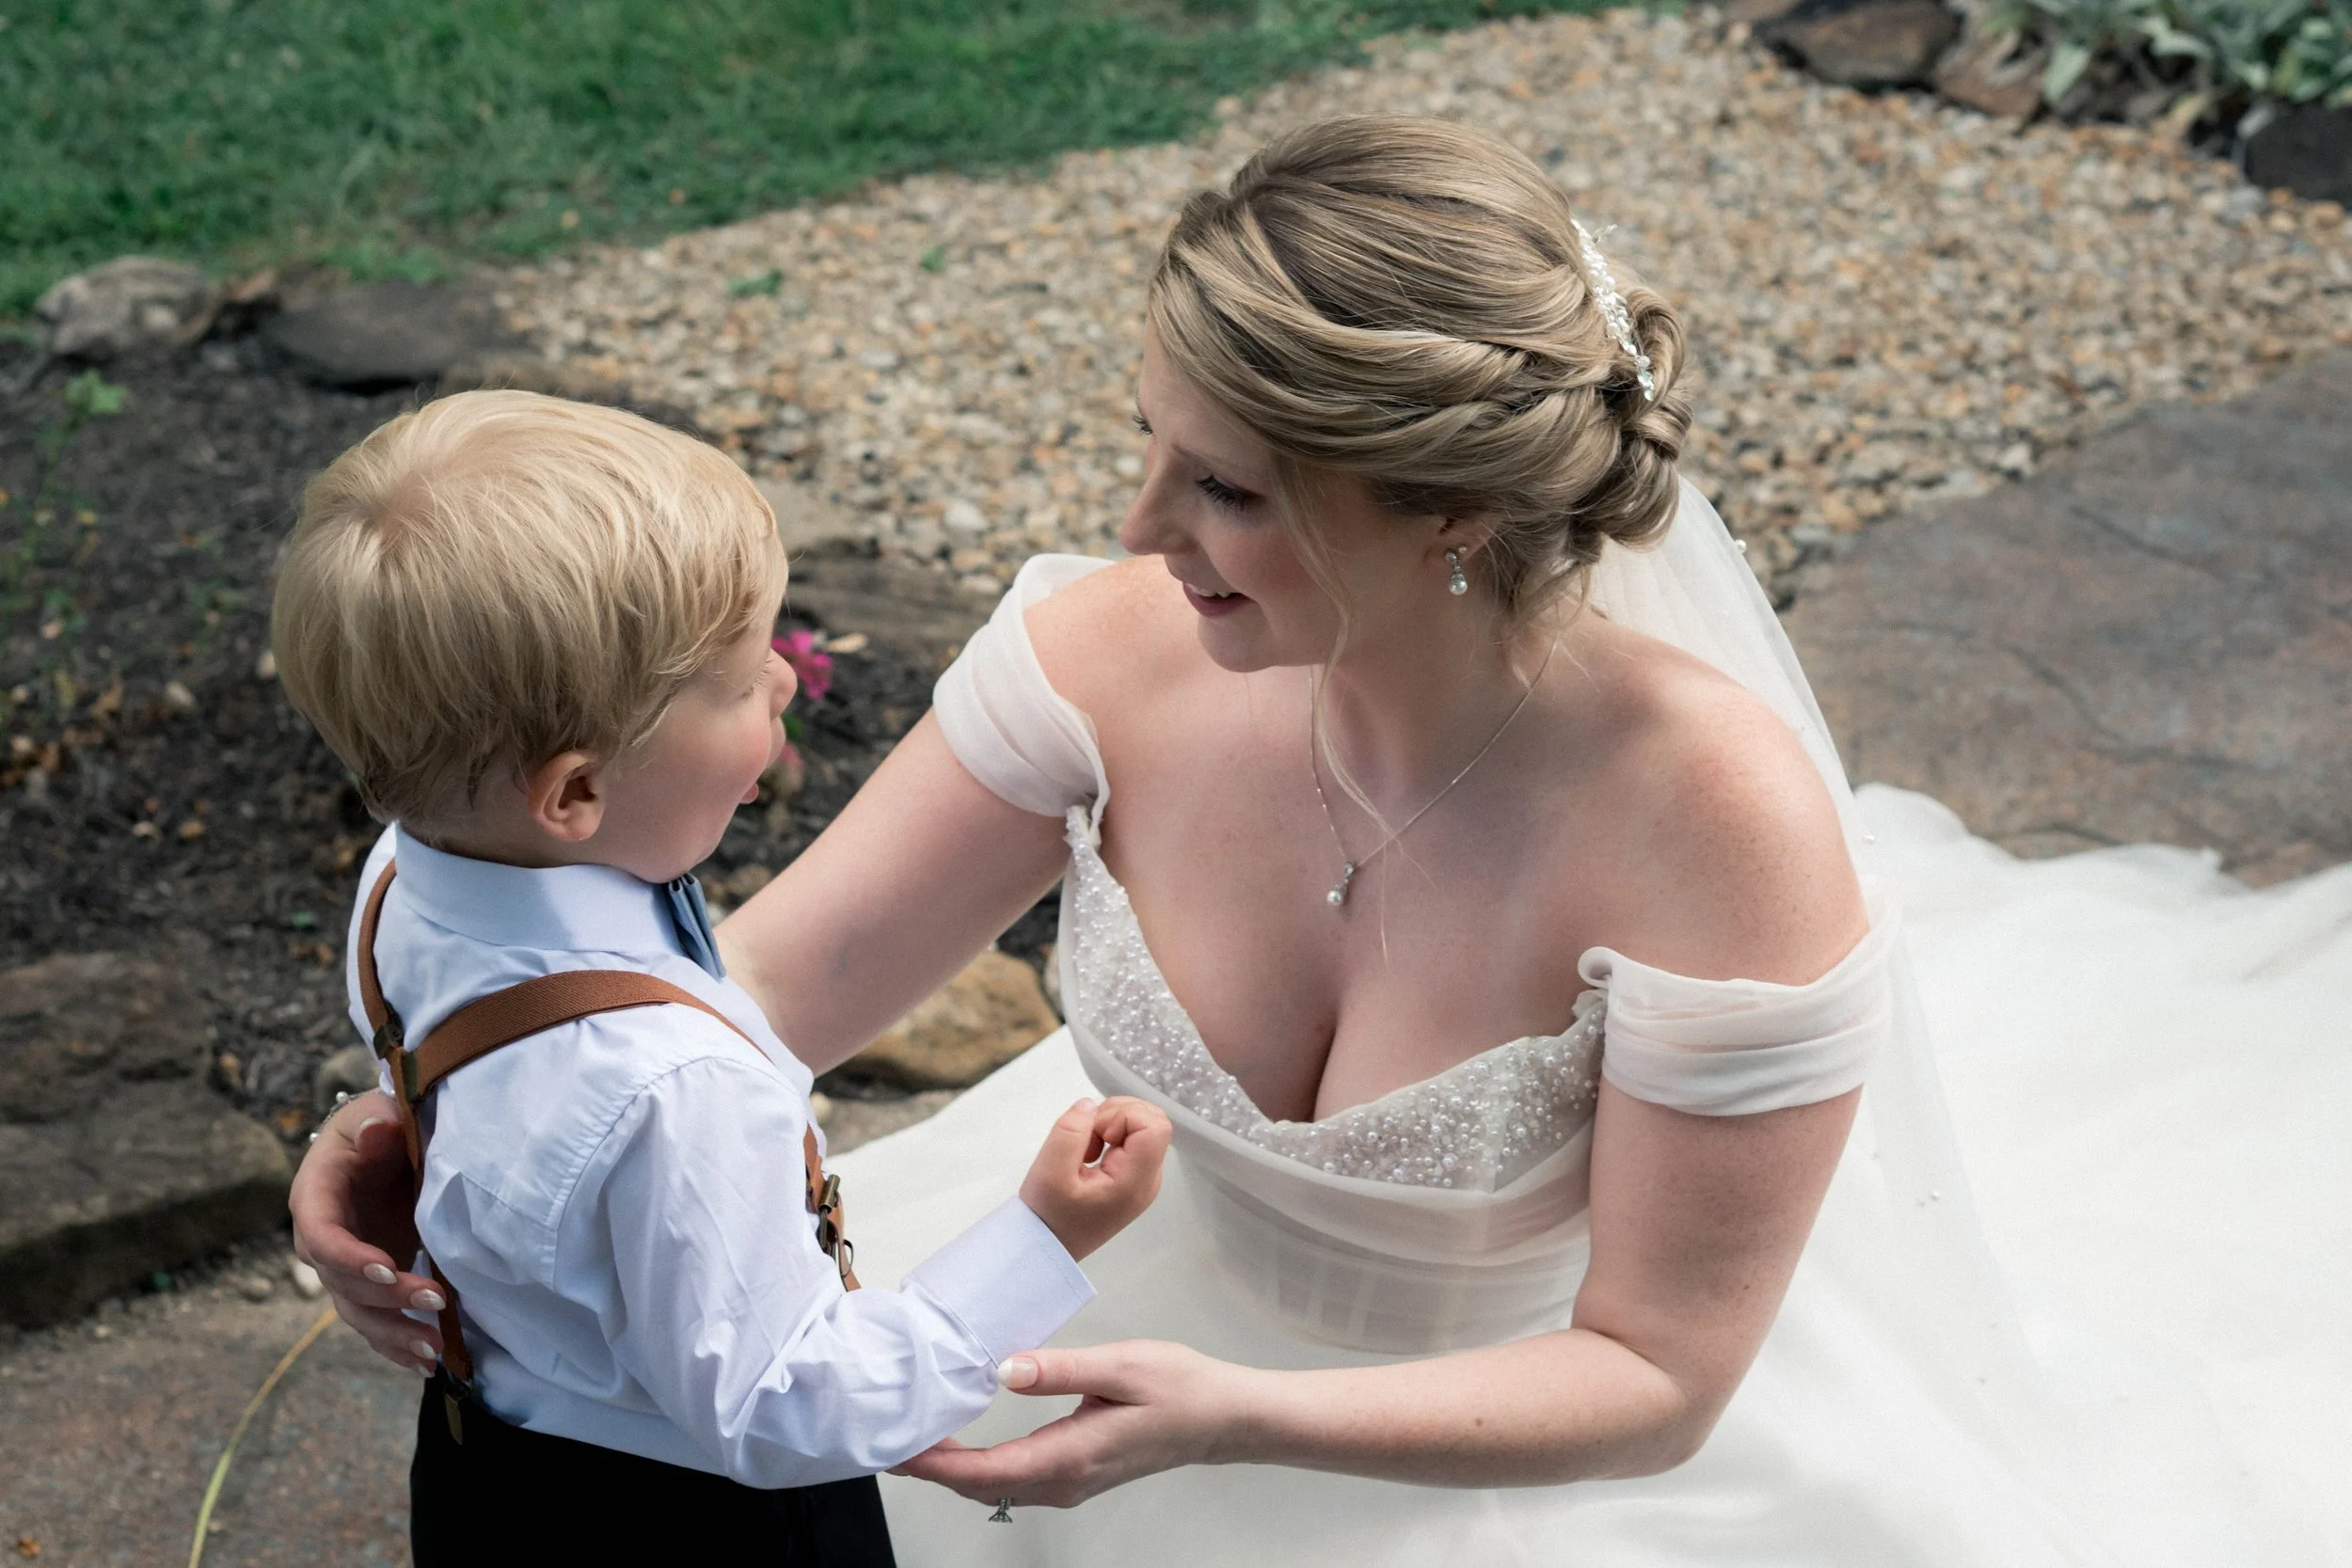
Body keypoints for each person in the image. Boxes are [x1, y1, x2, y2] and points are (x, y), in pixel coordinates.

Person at [294, 121, 2345, 1564]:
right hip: (1083, 1350)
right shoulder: (1105, 657)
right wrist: (442, 1112)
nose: (1135, 531)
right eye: (1153, 447)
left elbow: (1655, 1369)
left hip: (1531, 1458)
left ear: (1447, 509)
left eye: (1227, 490)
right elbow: (760, 1001)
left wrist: (1233, 1414)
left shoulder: (1707, 822)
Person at [271, 389, 1170, 1563]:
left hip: (486, 1471)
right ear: (576, 793)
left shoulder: (402, 874)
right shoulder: (677, 1086)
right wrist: (1040, 1239)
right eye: (743, 681)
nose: (787, 685)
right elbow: (781, 1404)